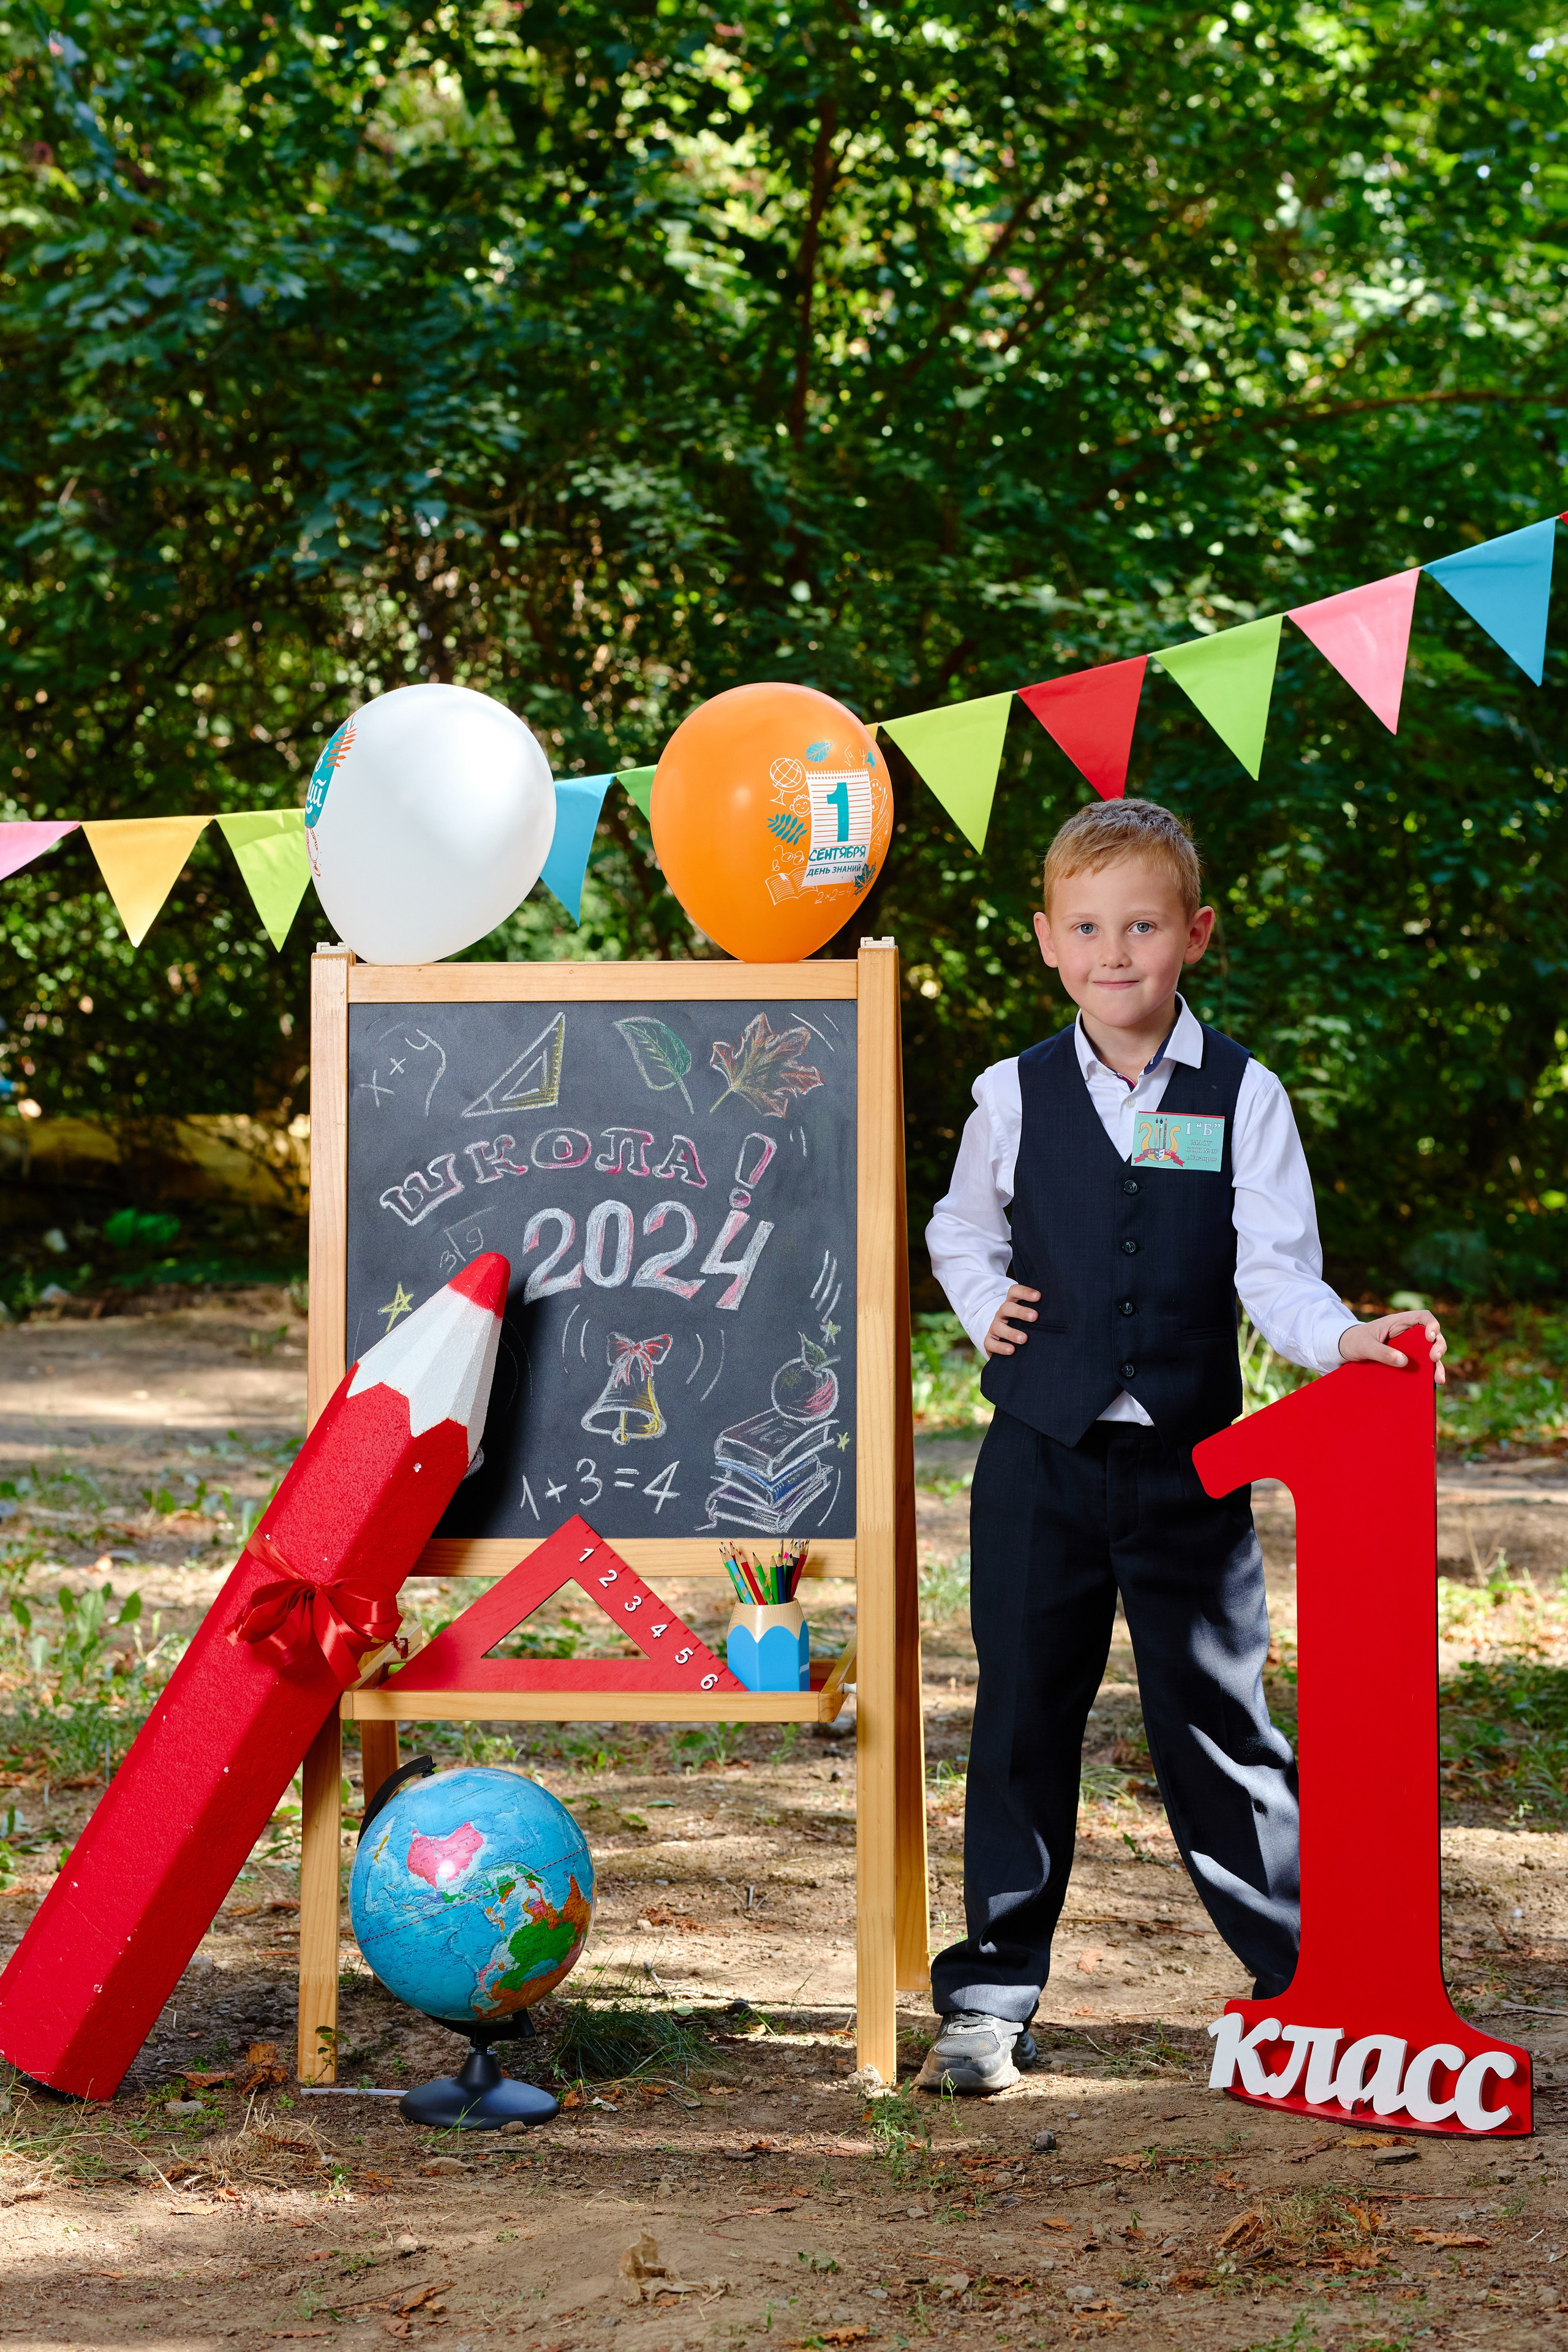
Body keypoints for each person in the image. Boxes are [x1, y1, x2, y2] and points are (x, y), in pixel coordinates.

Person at [920, 797, 1446, 2094]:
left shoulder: (1242, 1094)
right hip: (1037, 1461)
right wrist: (981, 1298)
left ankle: (1307, 1986)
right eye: (1088, 927)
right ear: (1047, 938)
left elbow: (1275, 1269)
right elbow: (958, 1227)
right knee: (1021, 1719)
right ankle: (989, 1995)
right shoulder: (1012, 1092)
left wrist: (1342, 1339)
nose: (1115, 952)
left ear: (1194, 934)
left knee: (1219, 1725)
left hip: (1189, 1470)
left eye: (1143, 926)